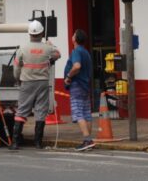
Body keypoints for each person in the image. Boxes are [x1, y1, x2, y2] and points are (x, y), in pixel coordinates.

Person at [10, 20, 61, 150]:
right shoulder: (47, 48)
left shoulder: (22, 48)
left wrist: (17, 79)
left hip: (26, 82)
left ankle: (15, 142)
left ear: (29, 34)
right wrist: (51, 45)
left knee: (21, 111)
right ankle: (38, 142)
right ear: (42, 33)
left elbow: (16, 67)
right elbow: (58, 54)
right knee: (40, 111)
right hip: (42, 83)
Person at [64, 29, 95, 151]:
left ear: (75, 39)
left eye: (73, 35)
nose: (72, 36)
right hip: (86, 85)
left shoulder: (77, 51)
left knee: (78, 112)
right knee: (87, 113)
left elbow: (77, 66)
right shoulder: (86, 52)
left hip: (77, 85)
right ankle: (89, 140)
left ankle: (87, 139)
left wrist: (68, 76)